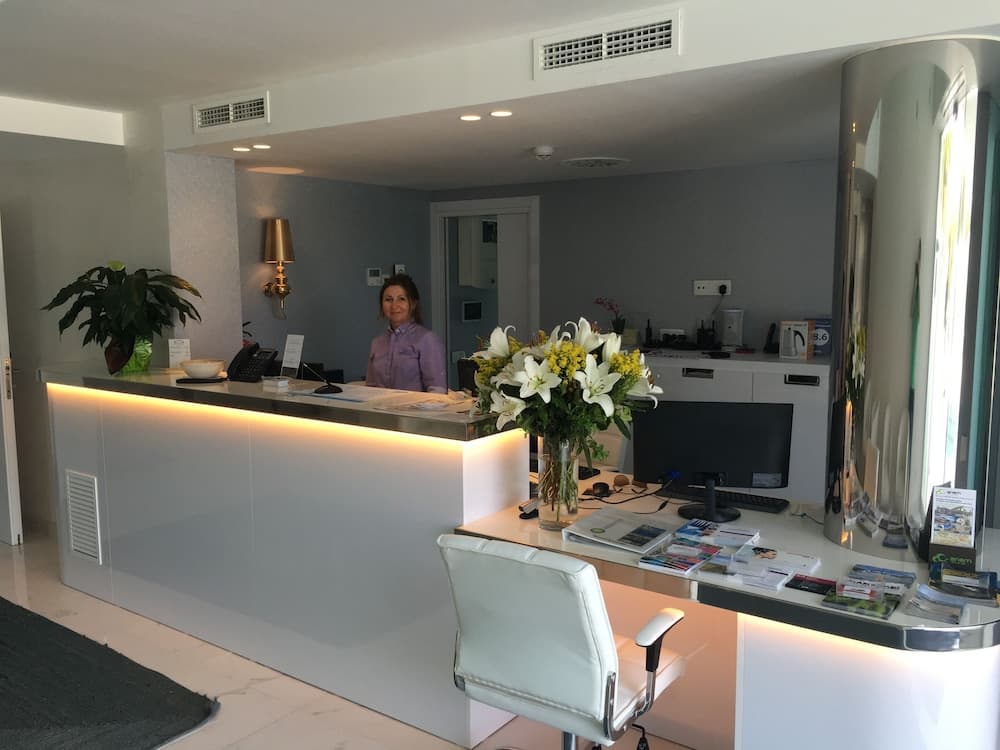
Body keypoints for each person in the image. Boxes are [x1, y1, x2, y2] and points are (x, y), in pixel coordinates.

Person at [365, 273, 447, 393]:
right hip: (379, 404)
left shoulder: (427, 339)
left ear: (412, 304)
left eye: (401, 299)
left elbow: (437, 389)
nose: (394, 305)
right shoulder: (377, 343)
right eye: (388, 300)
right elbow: (370, 387)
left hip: (416, 405)